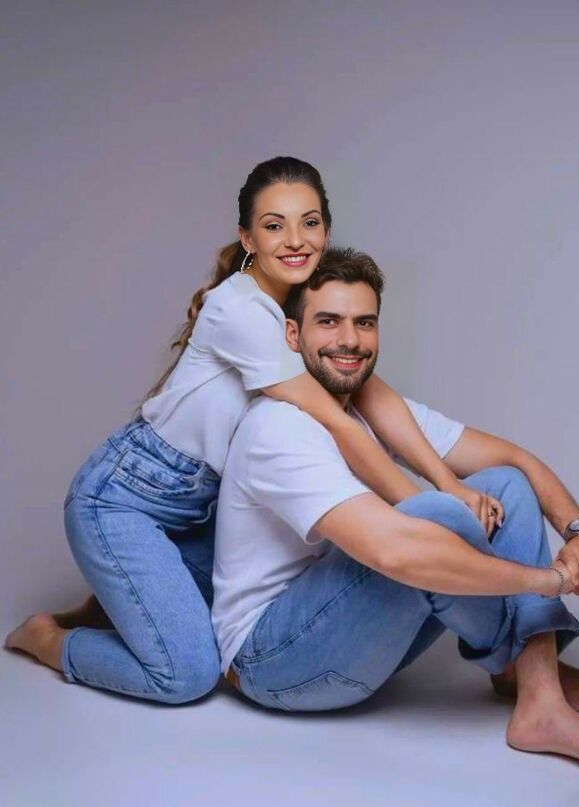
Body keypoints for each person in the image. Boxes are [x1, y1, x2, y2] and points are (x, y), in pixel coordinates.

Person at [5, 157, 496, 703]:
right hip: (122, 501)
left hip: (199, 511)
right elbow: (339, 421)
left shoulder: (300, 308)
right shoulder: (238, 309)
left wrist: (448, 485)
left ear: (326, 229)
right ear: (247, 238)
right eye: (274, 225)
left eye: (309, 222)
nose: (296, 240)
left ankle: (113, 603)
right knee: (187, 675)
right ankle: (48, 639)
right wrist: (421, 515)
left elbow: (378, 403)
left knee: (207, 608)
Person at [212, 247, 579, 768]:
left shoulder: (371, 409)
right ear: (293, 335)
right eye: (329, 322)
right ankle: (529, 667)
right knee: (435, 517)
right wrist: (551, 581)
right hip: (273, 662)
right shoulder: (278, 426)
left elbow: (514, 461)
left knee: (504, 485)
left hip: (349, 635)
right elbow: (393, 553)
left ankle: (537, 690)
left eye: (364, 323)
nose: (350, 340)